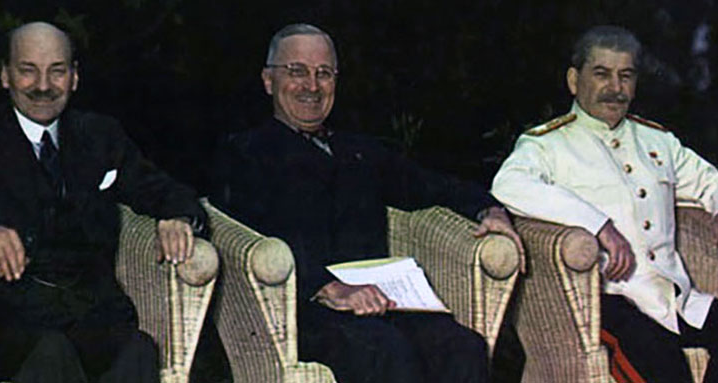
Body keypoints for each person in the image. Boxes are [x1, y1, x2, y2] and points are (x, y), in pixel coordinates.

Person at [0, 22, 205, 383]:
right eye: (28, 71)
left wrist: (177, 216)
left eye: (56, 71)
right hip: (12, 323)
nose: (43, 86)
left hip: (95, 314)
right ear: (5, 76)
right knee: (51, 354)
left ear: (74, 77)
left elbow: (164, 189)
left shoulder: (99, 135)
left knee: (139, 351)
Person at [211, 23, 522, 383]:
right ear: (269, 80)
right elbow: (243, 233)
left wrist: (490, 210)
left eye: (323, 74)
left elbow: (433, 185)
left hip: (377, 299)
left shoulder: (359, 150)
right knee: (385, 352)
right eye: (297, 71)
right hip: (297, 306)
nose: (311, 86)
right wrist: (328, 288)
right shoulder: (245, 152)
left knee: (461, 346)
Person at [491, 25, 718, 383]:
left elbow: (717, 180)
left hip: (672, 299)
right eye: (601, 74)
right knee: (661, 365)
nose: (615, 88)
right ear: (573, 79)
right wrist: (599, 225)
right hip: (603, 300)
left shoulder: (656, 141)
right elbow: (510, 183)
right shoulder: (547, 145)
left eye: (625, 76)